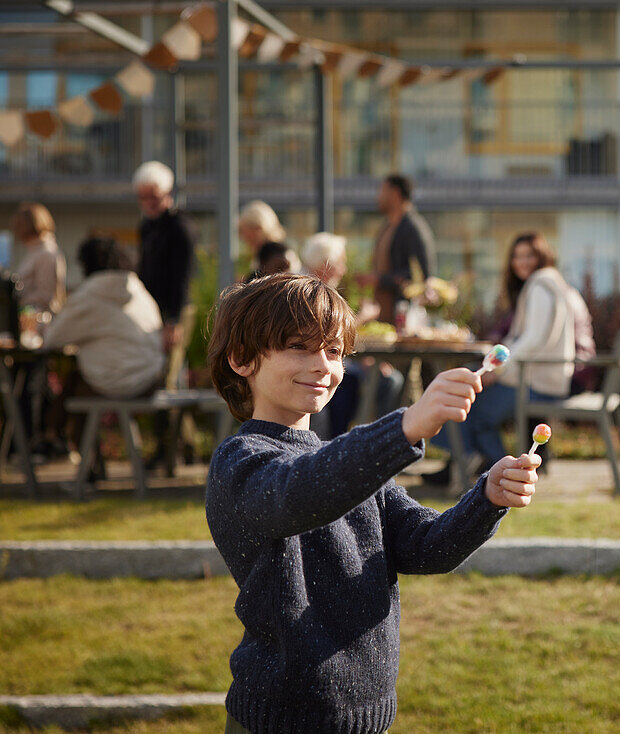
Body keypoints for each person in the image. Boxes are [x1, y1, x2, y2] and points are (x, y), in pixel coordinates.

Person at [205, 273, 541, 734]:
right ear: (242, 359)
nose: (323, 365)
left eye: (334, 351)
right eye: (299, 347)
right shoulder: (240, 462)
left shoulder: (345, 464)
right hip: (280, 721)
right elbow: (295, 495)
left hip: (368, 718)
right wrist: (404, 427)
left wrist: (486, 499)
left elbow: (427, 546)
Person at [427, 233, 575, 482]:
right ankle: (466, 463)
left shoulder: (540, 285)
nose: (522, 262)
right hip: (544, 377)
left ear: (542, 256)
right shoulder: (552, 283)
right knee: (470, 389)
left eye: (529, 255)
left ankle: (491, 471)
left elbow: (534, 339)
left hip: (536, 382)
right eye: (517, 256)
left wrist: (499, 368)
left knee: (476, 408)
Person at [43, 236, 163, 473]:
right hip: (149, 379)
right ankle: (55, 436)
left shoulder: (89, 295)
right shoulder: (138, 289)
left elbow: (52, 339)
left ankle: (63, 443)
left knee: (76, 385)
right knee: (79, 382)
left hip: (113, 382)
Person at [302, 232, 402, 438]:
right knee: (361, 380)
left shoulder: (319, 289)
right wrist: (363, 317)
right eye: (341, 262)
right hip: (312, 365)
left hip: (327, 362)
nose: (344, 269)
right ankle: (364, 442)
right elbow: (323, 335)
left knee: (385, 379)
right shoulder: (308, 289)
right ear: (325, 263)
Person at [9, 202, 66, 456]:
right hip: (31, 324)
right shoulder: (36, 251)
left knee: (32, 384)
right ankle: (30, 439)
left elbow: (45, 295)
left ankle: (32, 440)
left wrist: (16, 300)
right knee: (32, 385)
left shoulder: (46, 253)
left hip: (38, 326)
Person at [133, 160, 195, 389]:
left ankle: (173, 424)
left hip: (175, 311)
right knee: (157, 375)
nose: (149, 203)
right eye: (143, 198)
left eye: (154, 197)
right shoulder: (147, 226)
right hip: (152, 309)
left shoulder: (180, 227)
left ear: (167, 193)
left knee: (167, 377)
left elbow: (182, 277)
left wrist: (174, 320)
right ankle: (178, 425)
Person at [366, 173, 434, 324]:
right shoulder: (388, 225)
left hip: (403, 316)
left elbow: (422, 275)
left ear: (395, 193)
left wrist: (379, 280)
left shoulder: (413, 227)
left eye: (382, 191)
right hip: (383, 314)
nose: (378, 197)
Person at [239, 200, 293, 281]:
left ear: (257, 228)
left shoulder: (278, 256)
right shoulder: (264, 254)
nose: (243, 237)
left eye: (245, 231)